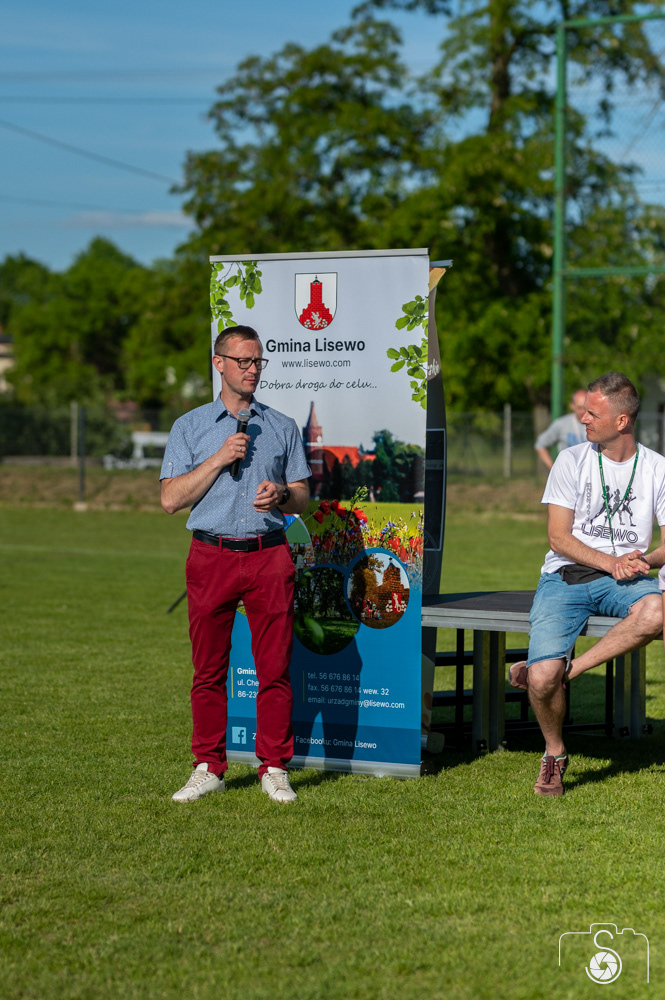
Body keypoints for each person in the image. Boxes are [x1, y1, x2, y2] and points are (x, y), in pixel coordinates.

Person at [161, 325, 310, 804]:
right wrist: (218, 458)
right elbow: (170, 499)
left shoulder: (282, 425)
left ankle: (274, 767)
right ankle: (209, 766)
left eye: (258, 361)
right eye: (243, 361)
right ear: (218, 363)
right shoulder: (189, 427)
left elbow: (303, 496)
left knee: (275, 670)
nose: (252, 370)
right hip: (211, 555)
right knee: (208, 670)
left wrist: (282, 493)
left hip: (269, 555)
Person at [509, 372, 665, 796]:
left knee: (657, 611)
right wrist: (611, 562)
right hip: (565, 577)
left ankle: (572, 670)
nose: (582, 419)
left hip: (625, 580)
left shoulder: (656, 468)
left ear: (622, 421)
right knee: (542, 679)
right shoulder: (571, 460)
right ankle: (554, 753)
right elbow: (558, 537)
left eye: (592, 413)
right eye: (584, 411)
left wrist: (643, 561)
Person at [535, 389, 587, 470]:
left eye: (585, 407)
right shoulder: (561, 424)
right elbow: (540, 445)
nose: (583, 411)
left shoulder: (596, 423)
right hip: (567, 472)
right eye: (579, 408)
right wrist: (553, 468)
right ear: (572, 406)